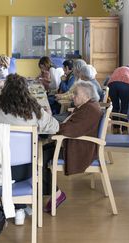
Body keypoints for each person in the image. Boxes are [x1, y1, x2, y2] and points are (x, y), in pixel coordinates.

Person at [0, 73, 59, 224]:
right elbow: (55, 127)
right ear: (26, 91)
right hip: (25, 171)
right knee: (40, 150)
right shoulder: (34, 110)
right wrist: (47, 114)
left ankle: (12, 206)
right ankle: (19, 207)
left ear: (3, 90)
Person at [43, 81, 102, 213]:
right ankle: (46, 190)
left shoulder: (89, 110)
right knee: (40, 152)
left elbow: (71, 130)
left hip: (79, 150)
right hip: (75, 144)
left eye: (76, 94)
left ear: (86, 96)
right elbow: (71, 125)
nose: (73, 96)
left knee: (39, 160)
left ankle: (56, 193)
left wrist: (51, 124)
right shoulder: (88, 106)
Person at [107, 65, 129, 132]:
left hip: (111, 85)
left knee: (115, 107)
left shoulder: (117, 69)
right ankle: (124, 129)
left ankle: (115, 128)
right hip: (124, 85)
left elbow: (110, 79)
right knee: (124, 108)